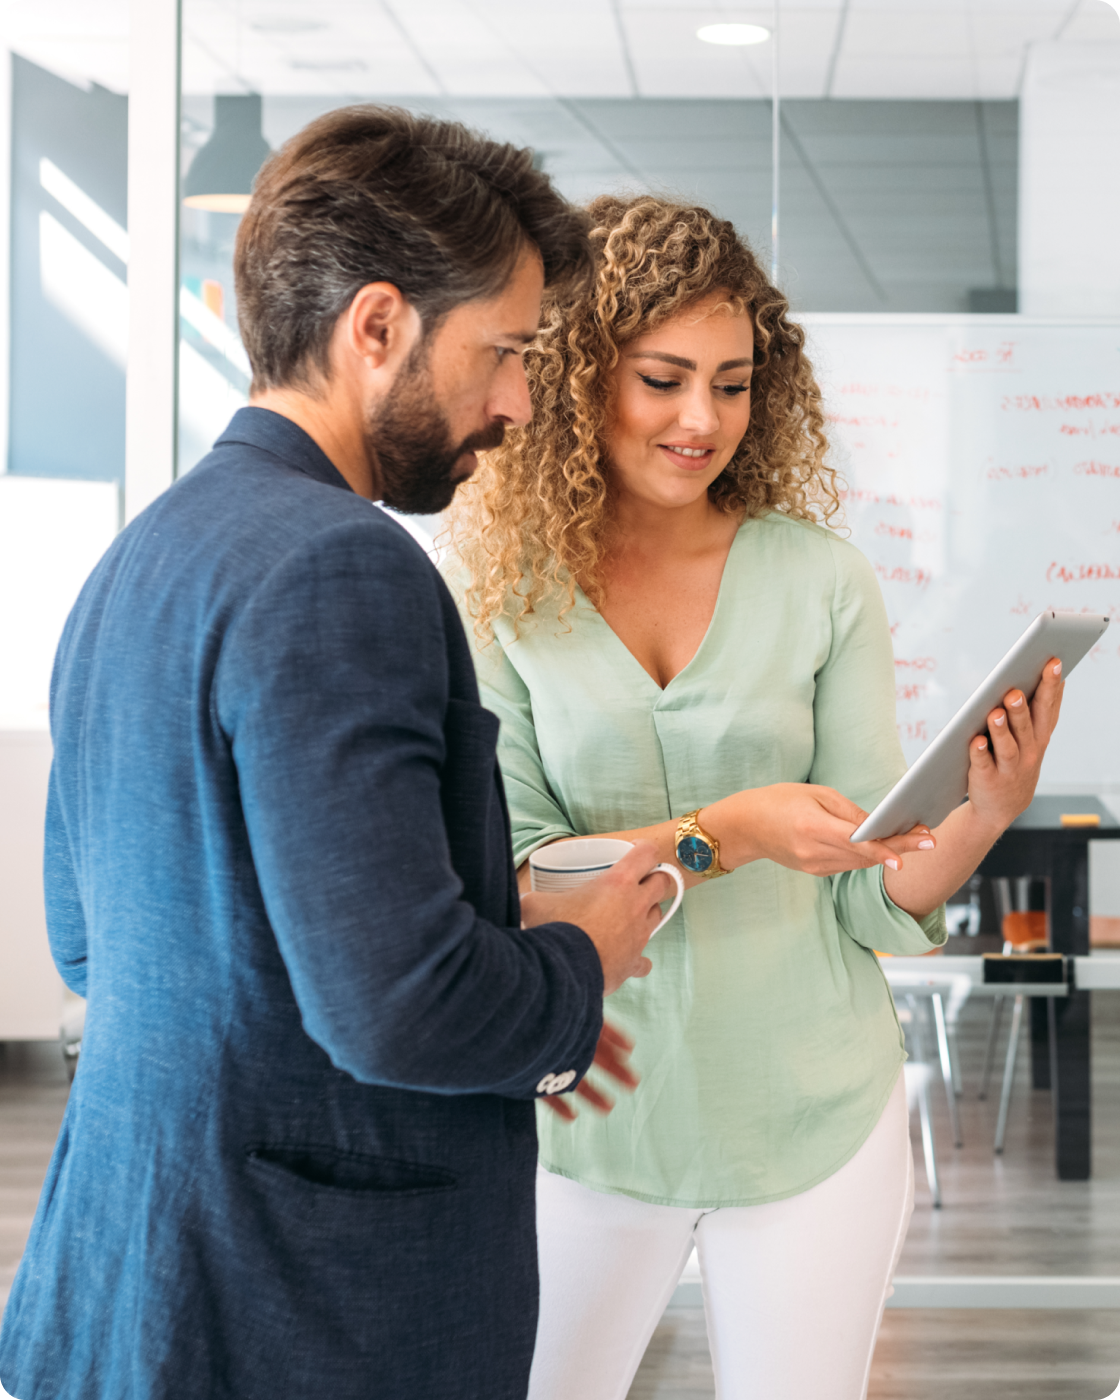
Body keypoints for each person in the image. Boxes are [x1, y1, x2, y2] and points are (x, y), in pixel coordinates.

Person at [0, 112, 676, 1400]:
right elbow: (399, 1005)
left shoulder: (140, 558)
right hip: (305, 1306)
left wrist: (461, 904)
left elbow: (95, 936)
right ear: (377, 328)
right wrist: (579, 954)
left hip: (126, 1271)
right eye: (506, 353)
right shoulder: (343, 564)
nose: (520, 403)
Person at [444, 194, 1065, 1400]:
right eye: (664, 378)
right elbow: (513, 874)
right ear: (579, 376)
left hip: (811, 1107)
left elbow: (875, 897)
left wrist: (983, 810)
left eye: (732, 383)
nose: (702, 419)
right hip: (585, 1107)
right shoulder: (502, 593)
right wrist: (725, 832)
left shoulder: (820, 578)